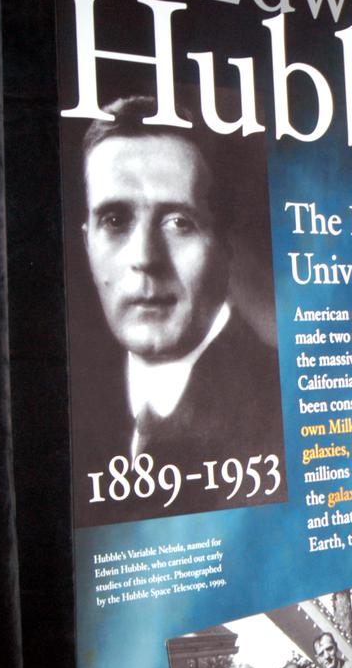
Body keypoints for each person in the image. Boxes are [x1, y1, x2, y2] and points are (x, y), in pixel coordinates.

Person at [72, 94, 283, 524]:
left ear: (225, 245)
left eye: (178, 222)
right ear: (86, 241)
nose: (146, 257)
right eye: (115, 220)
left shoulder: (277, 407)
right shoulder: (77, 405)